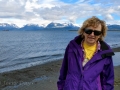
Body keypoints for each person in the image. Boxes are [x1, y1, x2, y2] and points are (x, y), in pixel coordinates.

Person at [57, 16, 115, 90]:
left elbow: (108, 80)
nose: (92, 34)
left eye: (96, 32)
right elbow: (63, 71)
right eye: (88, 31)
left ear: (100, 34)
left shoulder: (105, 53)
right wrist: (61, 87)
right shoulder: (72, 46)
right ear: (83, 31)